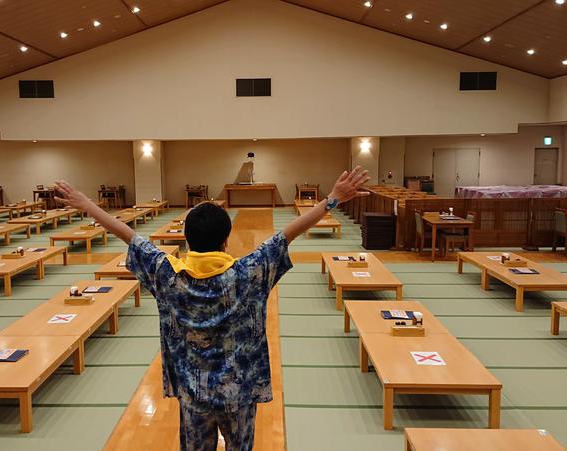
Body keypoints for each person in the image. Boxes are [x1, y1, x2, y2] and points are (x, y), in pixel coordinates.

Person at [53, 167, 369, 451]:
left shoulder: (168, 276)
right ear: (226, 240)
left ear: (187, 240)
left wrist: (87, 204)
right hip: (240, 392)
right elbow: (287, 234)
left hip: (193, 395)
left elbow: (131, 237)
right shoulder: (248, 273)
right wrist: (332, 199)